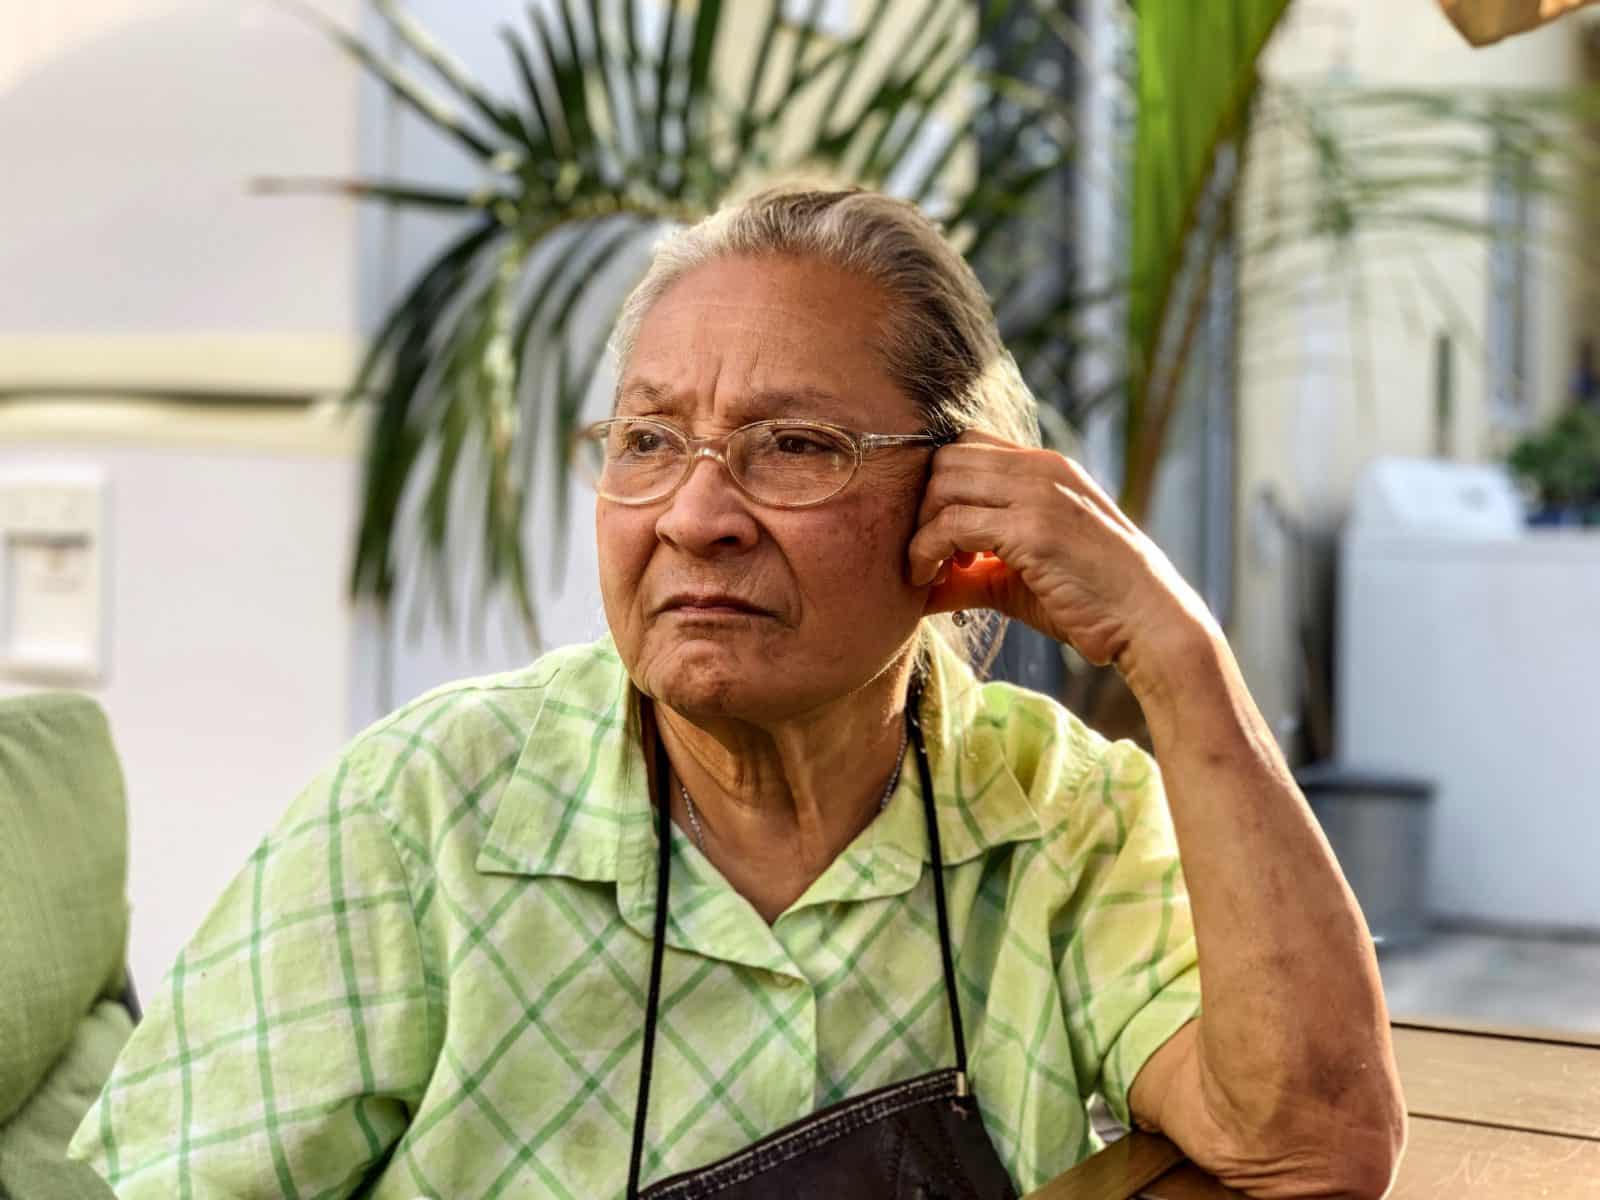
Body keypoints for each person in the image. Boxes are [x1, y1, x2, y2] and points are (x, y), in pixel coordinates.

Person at [70, 187, 1404, 1198]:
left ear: (961, 502)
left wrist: (1177, 653)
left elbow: (1309, 1142)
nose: (695, 515)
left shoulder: (1059, 816)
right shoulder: (420, 816)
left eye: (794, 448)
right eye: (650, 441)